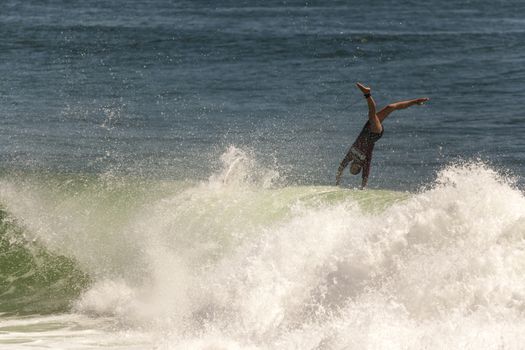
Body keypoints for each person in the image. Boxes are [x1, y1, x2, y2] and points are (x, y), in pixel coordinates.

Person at [336, 83, 429, 188]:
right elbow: (365, 176)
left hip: (366, 129)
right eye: (355, 170)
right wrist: (362, 187)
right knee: (372, 114)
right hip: (374, 135)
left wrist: (337, 183)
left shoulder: (350, 155)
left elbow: (341, 167)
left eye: (351, 169)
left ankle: (415, 101)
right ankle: (367, 93)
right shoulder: (365, 161)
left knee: (390, 107)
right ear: (359, 168)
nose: (352, 168)